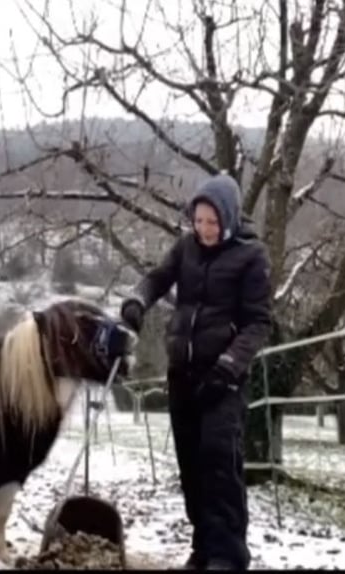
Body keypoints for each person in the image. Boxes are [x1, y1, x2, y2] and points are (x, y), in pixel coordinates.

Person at [120, 173, 272, 570]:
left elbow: (258, 323)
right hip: (182, 375)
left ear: (229, 218)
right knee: (191, 463)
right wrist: (138, 300)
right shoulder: (186, 248)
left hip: (223, 379)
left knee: (219, 460)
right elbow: (157, 278)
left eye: (212, 222)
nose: (204, 229)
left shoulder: (252, 256)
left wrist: (229, 365)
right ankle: (203, 547)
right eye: (199, 220)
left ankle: (228, 555)